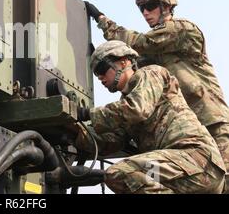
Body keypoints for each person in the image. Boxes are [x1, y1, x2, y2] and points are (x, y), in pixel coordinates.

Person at [84, 0, 229, 190]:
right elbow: (126, 66)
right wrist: (103, 58)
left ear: (167, 5)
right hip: (177, 140)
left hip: (211, 123)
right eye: (141, 8)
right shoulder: (148, 63)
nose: (145, 12)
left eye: (150, 5)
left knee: (222, 184)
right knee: (149, 178)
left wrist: (102, 21)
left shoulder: (184, 30)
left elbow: (139, 44)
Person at [75, 40, 225, 194]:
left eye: (102, 69)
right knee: (131, 177)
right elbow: (111, 142)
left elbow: (137, 108)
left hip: (196, 159)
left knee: (121, 173)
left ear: (123, 62)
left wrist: (86, 113)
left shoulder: (150, 74)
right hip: (179, 171)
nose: (100, 77)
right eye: (96, 74)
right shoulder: (124, 108)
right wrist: (74, 130)